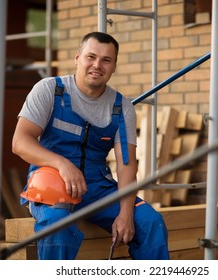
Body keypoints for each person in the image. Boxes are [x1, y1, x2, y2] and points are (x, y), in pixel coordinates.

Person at [12, 31, 170, 260]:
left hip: (97, 187)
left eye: (106, 60)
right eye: (91, 57)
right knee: (57, 225)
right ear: (77, 58)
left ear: (114, 66)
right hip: (50, 182)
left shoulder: (121, 107)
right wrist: (62, 164)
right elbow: (20, 142)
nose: (97, 65)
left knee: (150, 222)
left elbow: (127, 166)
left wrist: (126, 214)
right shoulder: (49, 90)